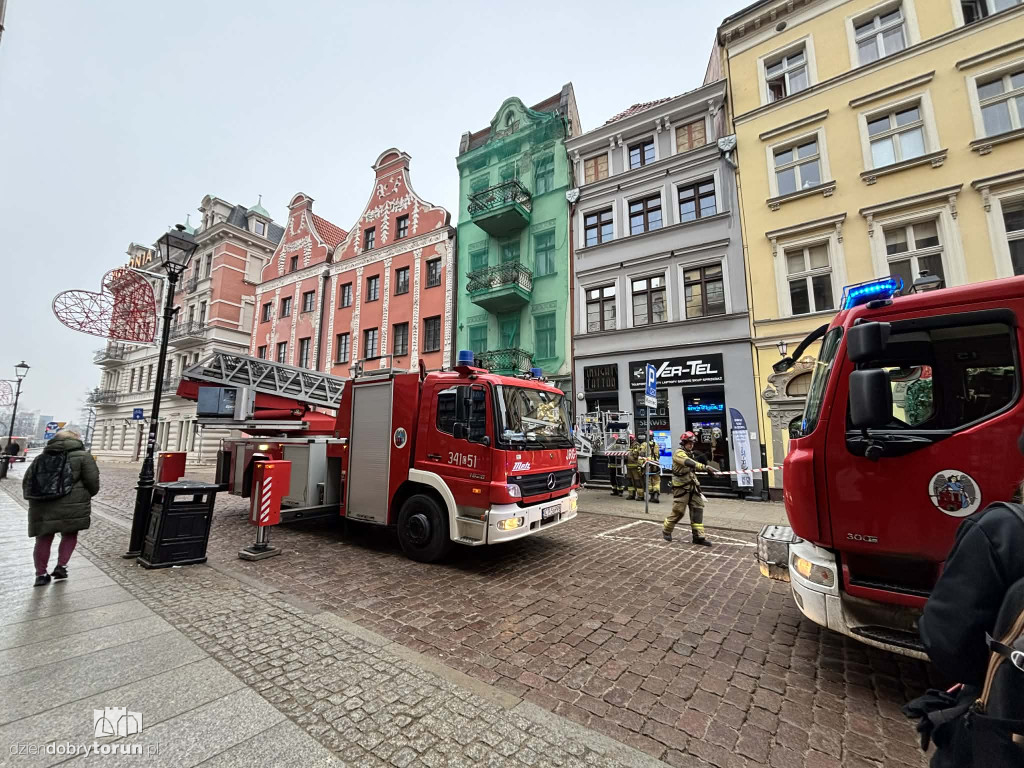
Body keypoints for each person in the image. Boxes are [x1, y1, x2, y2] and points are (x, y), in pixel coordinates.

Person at [22, 430, 98, 586]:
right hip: (72, 503)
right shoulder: (84, 457)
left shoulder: (41, 457)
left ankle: (41, 574)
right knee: (70, 534)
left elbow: (27, 482)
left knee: (43, 538)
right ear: (76, 440)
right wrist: (84, 494)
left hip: (43, 505)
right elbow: (93, 482)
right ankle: (61, 566)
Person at [663, 431, 715, 546]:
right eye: (689, 443)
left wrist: (707, 469)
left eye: (692, 443)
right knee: (679, 512)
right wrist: (705, 467)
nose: (691, 445)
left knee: (698, 509)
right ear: (683, 443)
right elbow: (688, 463)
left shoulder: (690, 453)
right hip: (681, 488)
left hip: (693, 486)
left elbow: (694, 465)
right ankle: (667, 530)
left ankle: (698, 537)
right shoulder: (679, 453)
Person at [626, 433, 644, 501]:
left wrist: (627, 454)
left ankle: (640, 496)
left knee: (637, 481)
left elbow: (636, 455)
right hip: (629, 467)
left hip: (635, 467)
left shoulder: (636, 445)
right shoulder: (628, 445)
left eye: (629, 439)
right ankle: (631, 495)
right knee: (629, 481)